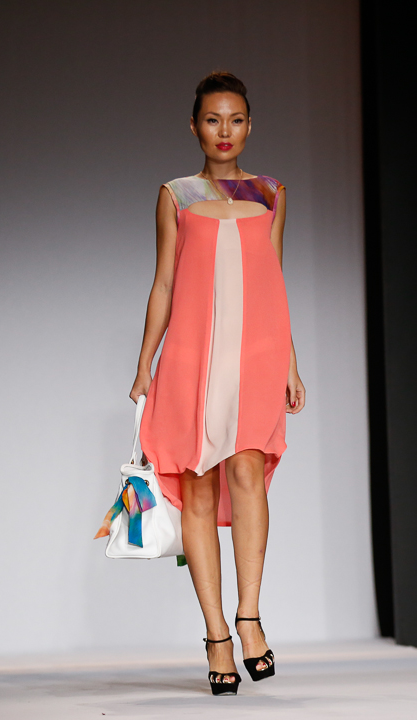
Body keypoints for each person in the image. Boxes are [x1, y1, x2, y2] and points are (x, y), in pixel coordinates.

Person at [128, 71, 305, 697]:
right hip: (193, 353)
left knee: (249, 469)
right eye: (212, 119)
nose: (224, 131)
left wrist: (290, 361)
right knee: (199, 485)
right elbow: (164, 283)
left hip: (255, 352)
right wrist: (145, 362)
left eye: (234, 119)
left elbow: (273, 279)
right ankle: (216, 636)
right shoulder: (176, 195)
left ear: (249, 125)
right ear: (194, 126)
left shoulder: (271, 193)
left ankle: (249, 617)